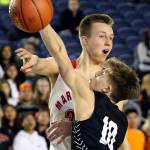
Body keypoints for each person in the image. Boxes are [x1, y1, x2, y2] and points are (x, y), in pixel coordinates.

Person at [16, 14, 129, 150]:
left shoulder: (110, 85)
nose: (108, 42)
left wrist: (76, 126)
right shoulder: (62, 67)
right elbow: (43, 62)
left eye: (111, 38)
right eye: (102, 36)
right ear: (85, 40)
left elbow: (113, 132)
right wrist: (33, 60)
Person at [39, 22, 140, 149]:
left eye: (103, 73)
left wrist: (41, 22)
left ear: (107, 88)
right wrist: (74, 126)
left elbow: (59, 52)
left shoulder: (89, 98)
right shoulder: (122, 122)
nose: (98, 72)